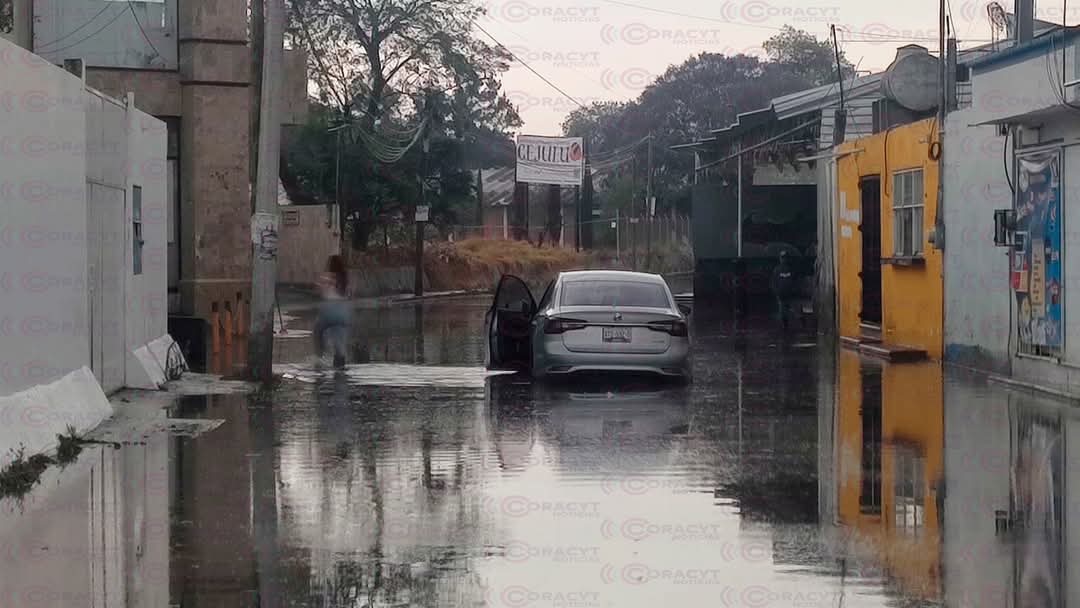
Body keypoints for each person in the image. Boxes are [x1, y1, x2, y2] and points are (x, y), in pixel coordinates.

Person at [314, 255, 351, 369]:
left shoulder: (328, 276)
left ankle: (320, 358)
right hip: (343, 312)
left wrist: (318, 287)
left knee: (318, 331)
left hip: (329, 310)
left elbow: (319, 290)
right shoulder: (345, 279)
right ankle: (340, 367)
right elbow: (349, 295)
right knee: (340, 345)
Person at [771, 250, 796, 330]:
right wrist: (776, 292)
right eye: (782, 258)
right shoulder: (776, 270)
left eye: (785, 258)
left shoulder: (791, 269)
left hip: (790, 295)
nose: (784, 259)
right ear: (780, 259)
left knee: (791, 310)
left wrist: (793, 291)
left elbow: (794, 281)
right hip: (781, 295)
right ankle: (785, 327)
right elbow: (773, 282)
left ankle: (797, 322)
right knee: (782, 313)